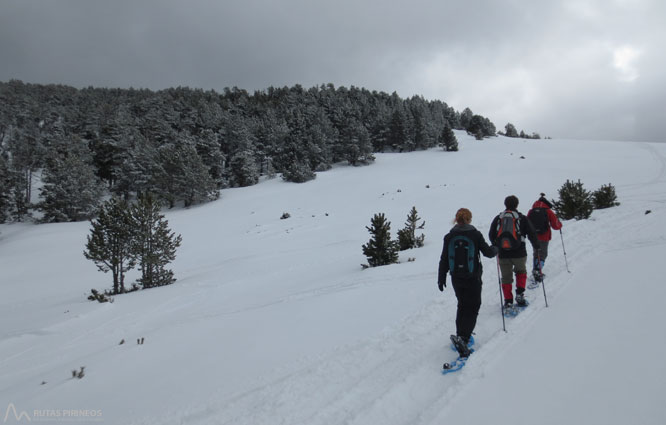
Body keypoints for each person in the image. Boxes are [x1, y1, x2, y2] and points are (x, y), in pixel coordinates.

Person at [438, 208, 498, 358]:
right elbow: (488, 253)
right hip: (473, 277)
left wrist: (441, 277)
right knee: (473, 306)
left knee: (462, 304)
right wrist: (496, 247)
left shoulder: (449, 236)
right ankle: (464, 338)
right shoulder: (475, 234)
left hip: (456, 277)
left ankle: (460, 335)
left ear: (456, 219)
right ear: (469, 219)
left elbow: (444, 259)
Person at [489, 195, 540, 308]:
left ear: (505, 204)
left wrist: (497, 246)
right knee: (521, 272)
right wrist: (536, 246)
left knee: (506, 277)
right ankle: (520, 294)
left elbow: (491, 234)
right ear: (517, 204)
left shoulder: (498, 218)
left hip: (503, 253)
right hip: (519, 252)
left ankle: (508, 300)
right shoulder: (521, 218)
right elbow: (531, 233)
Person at [527, 193, 562, 282]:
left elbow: (527, 223)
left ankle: (535, 269)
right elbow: (555, 225)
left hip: (533, 236)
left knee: (536, 253)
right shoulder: (548, 211)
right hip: (544, 236)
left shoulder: (531, 211)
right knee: (543, 254)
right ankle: (538, 272)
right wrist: (560, 225)